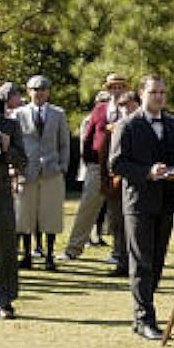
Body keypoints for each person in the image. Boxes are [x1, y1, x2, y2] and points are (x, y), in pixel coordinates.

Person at [109, 74, 174, 340]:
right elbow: (116, 165)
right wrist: (148, 172)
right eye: (154, 92)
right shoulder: (127, 126)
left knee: (158, 261)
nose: (159, 97)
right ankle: (144, 318)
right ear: (141, 93)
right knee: (141, 261)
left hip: (166, 200)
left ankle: (144, 313)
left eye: (163, 92)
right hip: (138, 201)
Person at [60, 73, 129, 261]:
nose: (116, 91)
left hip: (121, 168)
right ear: (107, 89)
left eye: (120, 87)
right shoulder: (100, 109)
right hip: (97, 167)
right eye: (112, 87)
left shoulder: (131, 109)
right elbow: (88, 136)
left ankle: (119, 251)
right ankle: (73, 248)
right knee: (87, 208)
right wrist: (90, 160)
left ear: (126, 89)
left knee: (119, 212)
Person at [14, 75, 70, 271]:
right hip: (26, 172)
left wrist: (63, 165)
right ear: (28, 91)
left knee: (50, 215)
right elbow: (14, 144)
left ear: (49, 92)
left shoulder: (58, 113)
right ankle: (27, 255)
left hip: (51, 171)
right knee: (25, 215)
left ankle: (49, 256)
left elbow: (64, 143)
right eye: (35, 89)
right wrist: (16, 167)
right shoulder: (18, 114)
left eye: (43, 89)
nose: (39, 93)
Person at [0, 73, 27, 319]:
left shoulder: (9, 124)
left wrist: (7, 149)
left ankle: (5, 300)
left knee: (3, 250)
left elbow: (22, 160)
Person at [100, 90, 141, 277]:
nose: (125, 108)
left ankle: (137, 265)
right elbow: (104, 158)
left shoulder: (142, 127)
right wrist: (106, 182)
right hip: (116, 186)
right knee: (117, 225)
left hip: (139, 185)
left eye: (129, 104)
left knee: (137, 227)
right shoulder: (112, 129)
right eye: (122, 105)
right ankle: (122, 262)